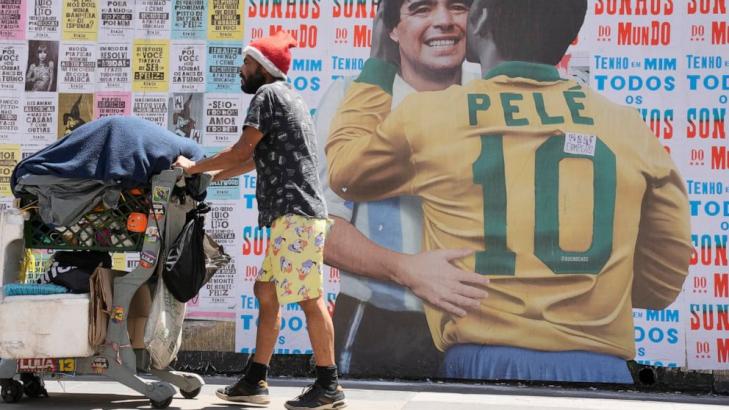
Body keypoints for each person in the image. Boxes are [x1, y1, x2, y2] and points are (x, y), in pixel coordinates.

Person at [326, 0, 691, 383]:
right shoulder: (628, 127)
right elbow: (662, 285)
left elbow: (346, 173)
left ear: (479, 20)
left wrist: (380, 63)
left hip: (482, 361)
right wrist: (589, 295)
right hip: (602, 367)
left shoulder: (431, 115)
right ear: (572, 32)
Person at [173, 31, 346, 409]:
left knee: (308, 298)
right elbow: (252, 160)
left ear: (263, 68)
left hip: (295, 217)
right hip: (295, 218)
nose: (242, 69)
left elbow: (241, 149)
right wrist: (207, 178)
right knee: (266, 293)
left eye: (248, 63)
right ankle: (255, 381)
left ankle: (328, 385)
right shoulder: (289, 98)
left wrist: (193, 167)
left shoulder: (268, 96)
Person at [315, 0, 488, 377]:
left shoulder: (496, 92)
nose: (444, 22)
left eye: (457, 7)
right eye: (422, 9)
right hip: (381, 325)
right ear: (390, 27)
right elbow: (317, 229)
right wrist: (407, 270)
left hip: (489, 325)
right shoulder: (351, 97)